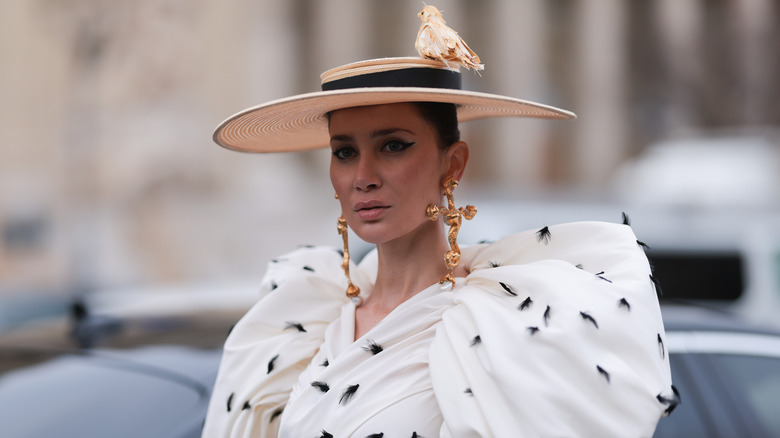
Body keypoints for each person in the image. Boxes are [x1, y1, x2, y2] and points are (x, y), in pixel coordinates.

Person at [202, 6, 676, 437]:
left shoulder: (503, 323)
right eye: (345, 152)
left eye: (393, 146)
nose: (362, 177)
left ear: (453, 165)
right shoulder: (306, 322)